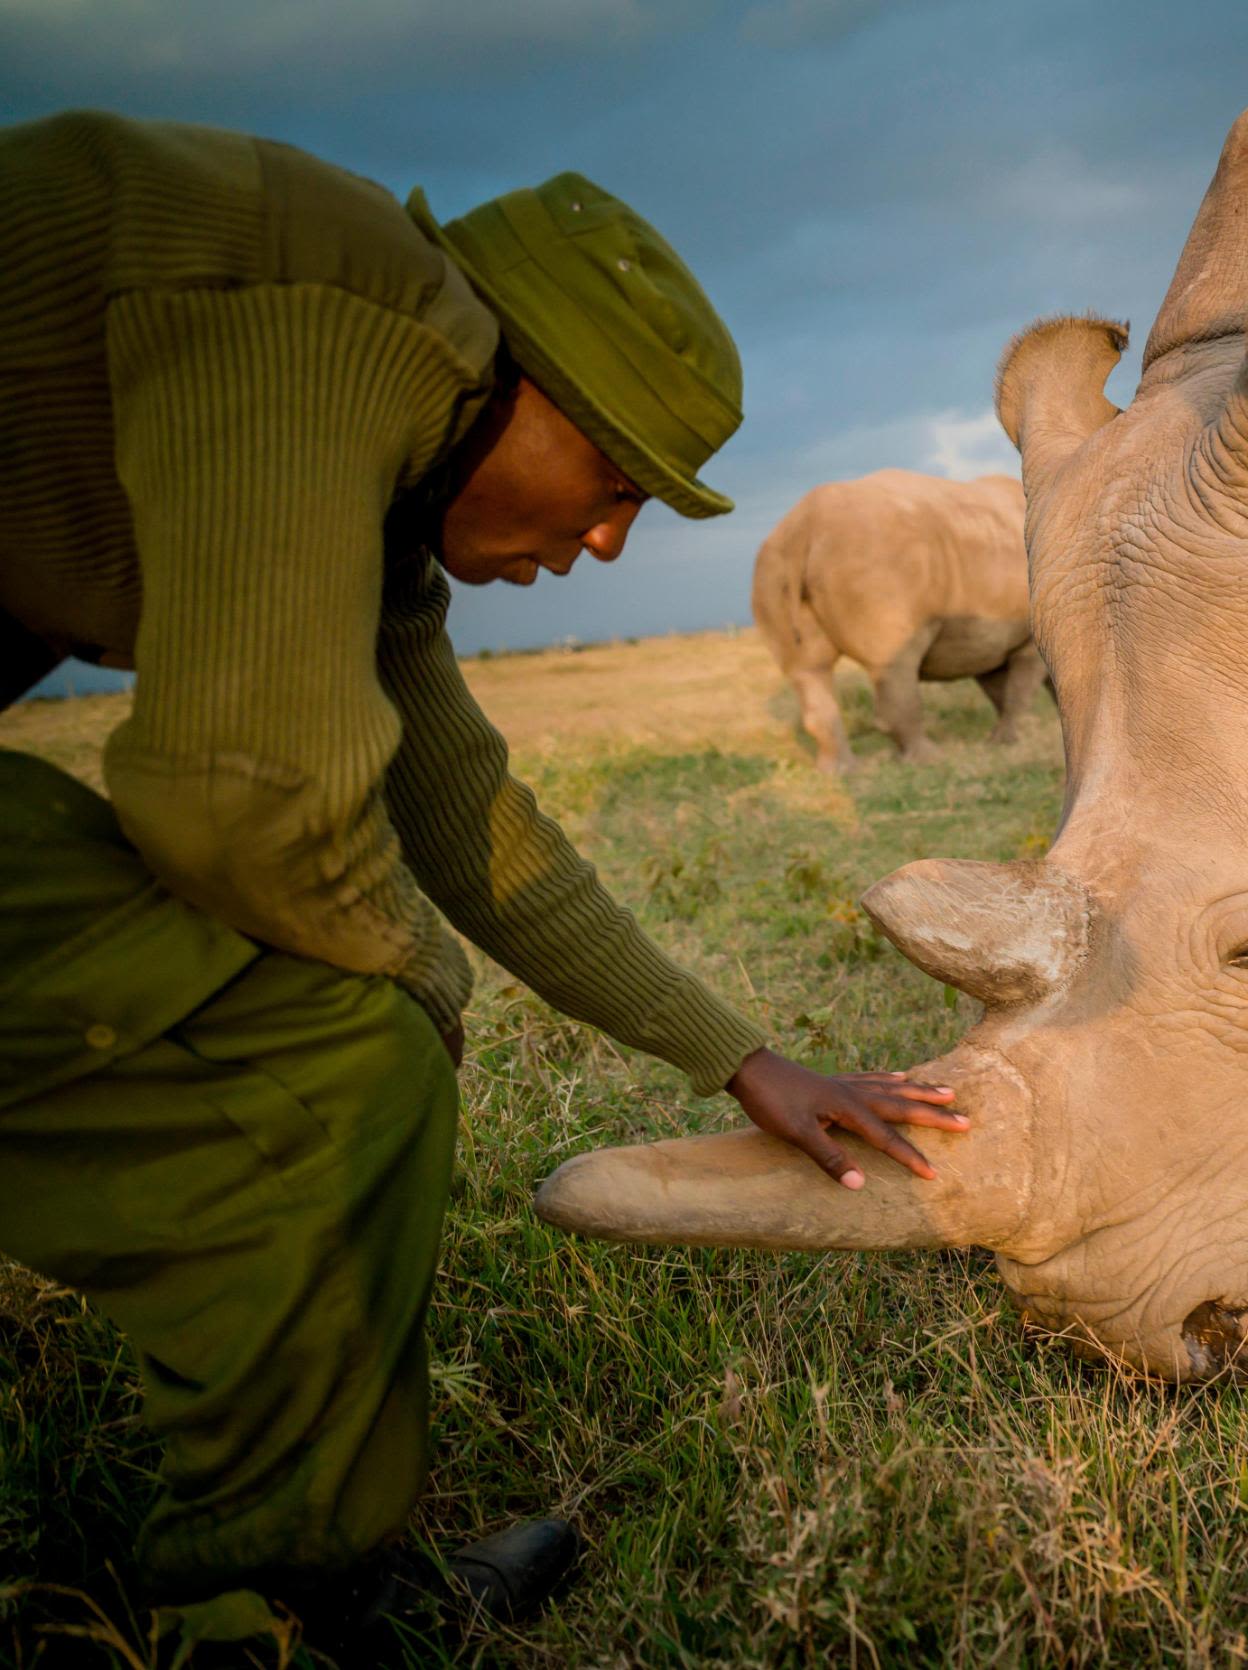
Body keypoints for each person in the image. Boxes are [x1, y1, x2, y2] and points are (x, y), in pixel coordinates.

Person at [0, 110, 964, 1647]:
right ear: (506, 377)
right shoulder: (334, 325)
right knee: (334, 1045)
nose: (602, 537)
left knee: (328, 1030)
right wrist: (414, 972)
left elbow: (465, 813)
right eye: (611, 474)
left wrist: (740, 1055)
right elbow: (236, 798)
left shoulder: (375, 471)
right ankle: (271, 1609)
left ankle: (285, 1579)